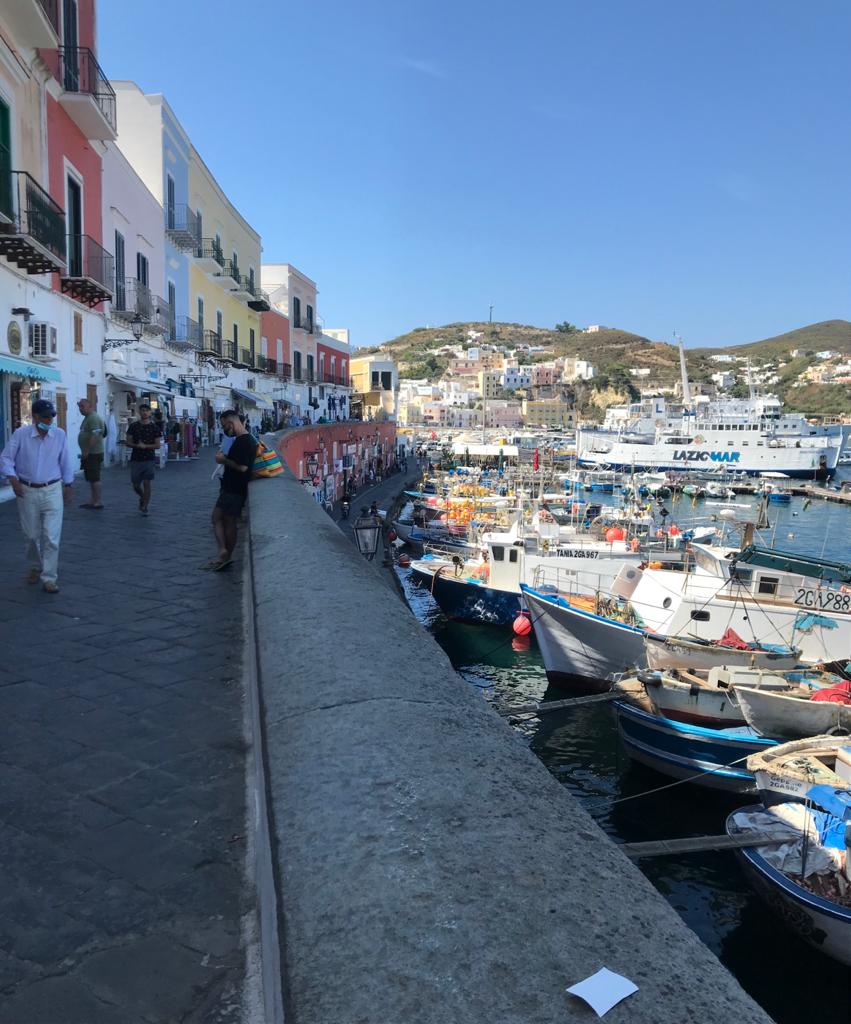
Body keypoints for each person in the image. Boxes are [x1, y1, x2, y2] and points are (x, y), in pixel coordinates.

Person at [0, 398, 75, 593]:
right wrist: (13, 480)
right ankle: (35, 566)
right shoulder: (21, 434)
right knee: (31, 535)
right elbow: (6, 458)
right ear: (35, 417)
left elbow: (65, 460)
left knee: (52, 536)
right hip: (27, 490)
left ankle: (49, 577)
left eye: (51, 417)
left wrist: (69, 485)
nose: (49, 421)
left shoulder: (59, 435)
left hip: (52, 489)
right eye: (45, 417)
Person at [204, 409, 257, 571]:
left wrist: (223, 460)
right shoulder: (244, 439)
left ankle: (224, 553)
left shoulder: (243, 441)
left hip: (234, 489)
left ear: (231, 423)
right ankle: (225, 554)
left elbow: (242, 467)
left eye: (224, 426)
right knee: (225, 520)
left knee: (221, 519)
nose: (224, 430)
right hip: (233, 488)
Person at [126, 403, 162, 516]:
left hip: (149, 459)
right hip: (136, 458)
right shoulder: (133, 426)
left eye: (147, 410)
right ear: (139, 412)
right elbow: (128, 442)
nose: (145, 412)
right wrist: (137, 446)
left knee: (147, 483)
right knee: (136, 484)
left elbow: (157, 445)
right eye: (142, 410)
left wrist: (146, 446)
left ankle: (145, 505)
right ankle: (142, 497)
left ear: (150, 412)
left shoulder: (154, 428)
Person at [77, 397, 106, 509]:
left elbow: (95, 435)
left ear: (90, 406)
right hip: (90, 453)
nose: (80, 409)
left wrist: (87, 450)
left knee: (95, 477)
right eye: (79, 406)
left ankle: (97, 501)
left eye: (82, 406)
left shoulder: (93, 418)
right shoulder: (88, 418)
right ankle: (93, 500)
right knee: (91, 478)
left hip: (93, 453)